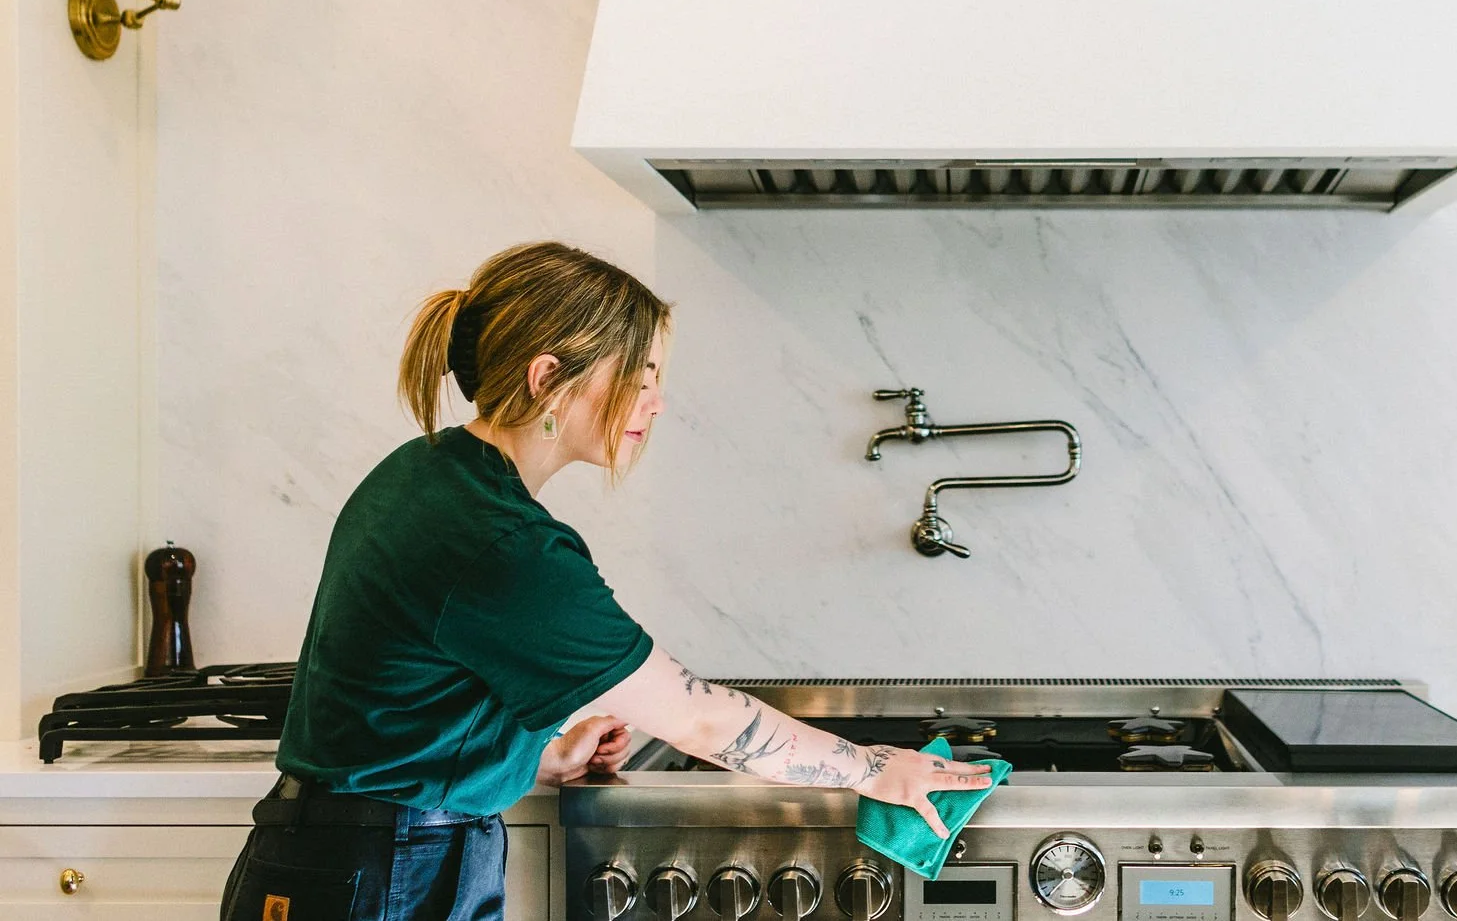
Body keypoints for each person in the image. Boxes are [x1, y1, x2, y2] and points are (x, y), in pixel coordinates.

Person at [219, 241, 989, 921]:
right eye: (639, 373)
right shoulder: (502, 541)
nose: (656, 400)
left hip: (350, 859)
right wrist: (875, 767)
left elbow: (400, 696)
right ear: (550, 376)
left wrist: (532, 757)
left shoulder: (429, 471)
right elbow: (702, 721)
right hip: (379, 872)